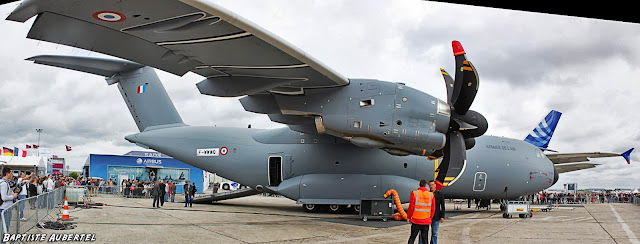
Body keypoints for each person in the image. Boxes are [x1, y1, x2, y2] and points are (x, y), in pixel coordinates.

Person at [407, 179, 434, 244]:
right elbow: (433, 209)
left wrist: (409, 217)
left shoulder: (414, 193)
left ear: (419, 185)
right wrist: (430, 217)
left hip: (416, 220)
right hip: (426, 221)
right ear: (426, 185)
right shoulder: (431, 195)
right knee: (425, 239)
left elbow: (411, 207)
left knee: (412, 237)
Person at [0, 167, 18, 235]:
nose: (12, 175)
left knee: (4, 226)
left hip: (6, 207)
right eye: (11, 173)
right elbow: (4, 197)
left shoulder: (5, 183)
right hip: (5, 208)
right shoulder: (4, 183)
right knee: (4, 227)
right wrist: (12, 196)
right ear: (7, 174)